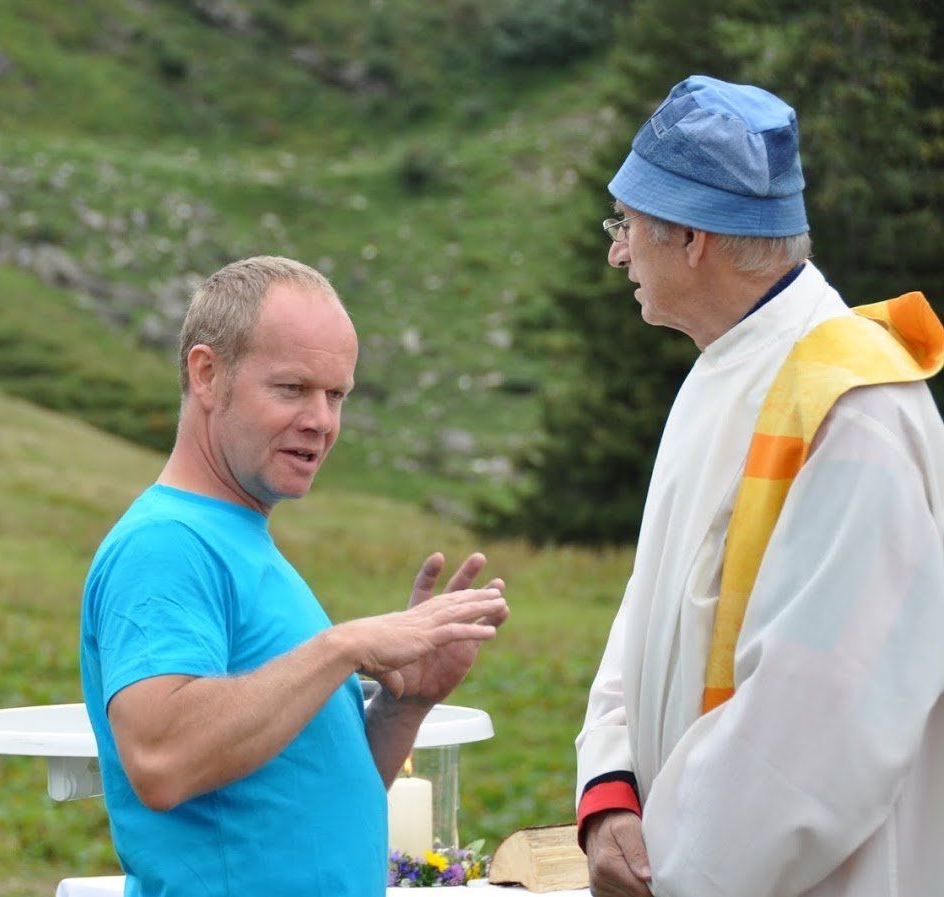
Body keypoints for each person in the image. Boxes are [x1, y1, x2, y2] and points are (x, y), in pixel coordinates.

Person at [575, 75, 944, 897]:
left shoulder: (854, 409)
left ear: (691, 237)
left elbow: (822, 717)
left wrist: (668, 867)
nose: (617, 252)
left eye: (626, 224)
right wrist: (611, 788)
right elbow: (655, 607)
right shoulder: (727, 367)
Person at [80, 256, 510, 896]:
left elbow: (313, 799)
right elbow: (161, 760)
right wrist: (343, 647)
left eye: (336, 395)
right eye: (292, 388)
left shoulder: (240, 539)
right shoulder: (165, 544)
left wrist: (405, 704)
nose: (321, 421)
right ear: (207, 374)